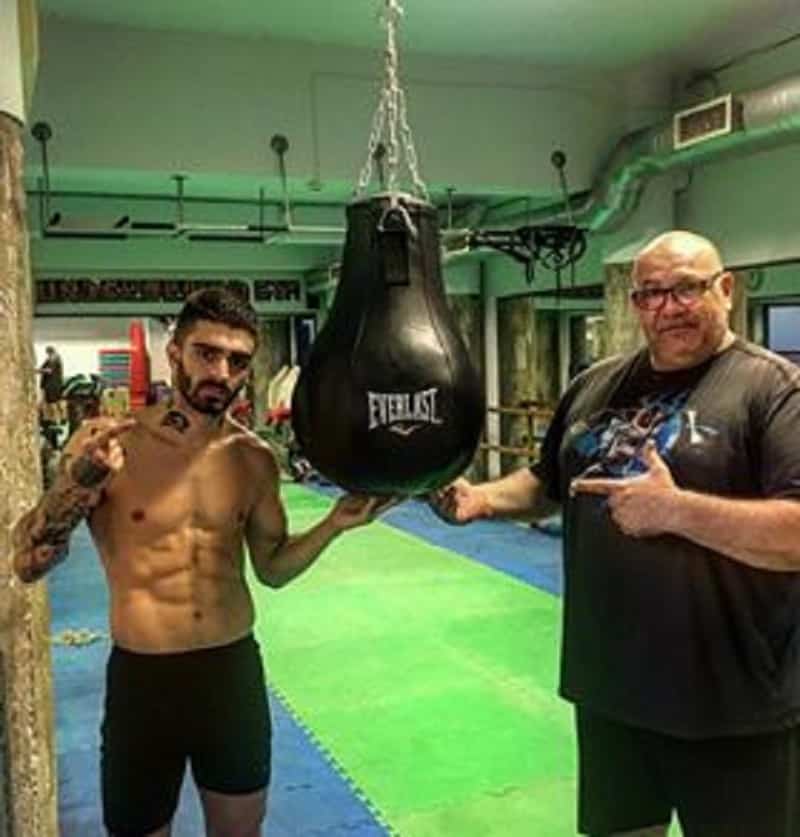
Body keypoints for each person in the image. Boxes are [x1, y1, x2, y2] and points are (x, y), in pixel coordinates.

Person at [429, 230, 800, 837]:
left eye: (687, 288)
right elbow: (549, 482)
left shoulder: (774, 389)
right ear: (634, 304)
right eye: (651, 293)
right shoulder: (595, 385)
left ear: (726, 289)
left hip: (732, 704)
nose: (669, 307)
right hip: (612, 692)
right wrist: (481, 499)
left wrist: (678, 512)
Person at [13, 288, 392, 837]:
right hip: (143, 680)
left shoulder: (254, 460)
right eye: (207, 353)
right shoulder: (107, 443)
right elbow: (28, 561)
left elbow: (273, 569)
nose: (221, 372)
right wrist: (83, 479)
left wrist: (333, 524)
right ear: (175, 353)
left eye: (237, 361)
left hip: (230, 674)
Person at [37, 344, 65, 425]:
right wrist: (40, 370)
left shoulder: (55, 359)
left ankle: (55, 419)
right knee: (54, 402)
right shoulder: (50, 359)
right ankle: (58, 419)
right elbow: (43, 367)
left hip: (53, 384)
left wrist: (39, 371)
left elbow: (49, 371)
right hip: (51, 384)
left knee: (53, 403)